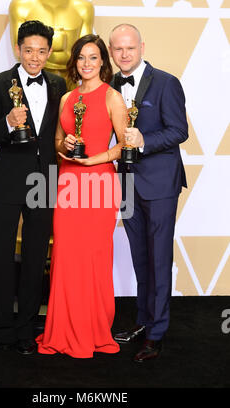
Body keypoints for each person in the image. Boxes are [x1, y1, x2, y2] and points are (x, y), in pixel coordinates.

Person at [0, 20, 67, 356]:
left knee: (35, 256)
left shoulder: (58, 84)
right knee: (0, 256)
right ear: (18, 49)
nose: (35, 57)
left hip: (45, 180)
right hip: (8, 180)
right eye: (29, 50)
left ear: (49, 51)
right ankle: (0, 331)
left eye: (42, 51)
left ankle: (26, 331)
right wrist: (8, 124)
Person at [36, 34, 128, 358]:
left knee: (93, 258)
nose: (86, 63)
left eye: (93, 57)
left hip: (99, 185)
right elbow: (58, 140)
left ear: (103, 61)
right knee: (65, 256)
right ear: (74, 62)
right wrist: (67, 146)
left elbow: (125, 144)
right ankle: (61, 330)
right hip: (68, 183)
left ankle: (93, 330)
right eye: (81, 58)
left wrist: (95, 158)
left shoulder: (113, 97)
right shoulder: (66, 99)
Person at [109, 24, 188, 362]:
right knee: (140, 256)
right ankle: (143, 321)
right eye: (117, 49)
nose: (124, 54)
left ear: (141, 47)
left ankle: (157, 333)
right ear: (112, 52)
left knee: (158, 259)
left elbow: (178, 131)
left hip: (159, 183)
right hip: (126, 182)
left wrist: (145, 141)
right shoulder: (110, 85)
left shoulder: (167, 82)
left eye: (130, 48)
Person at [9, 0, 94, 88]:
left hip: (70, 80)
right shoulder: (21, 6)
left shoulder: (84, 8)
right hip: (35, 79)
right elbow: (20, 50)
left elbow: (85, 51)